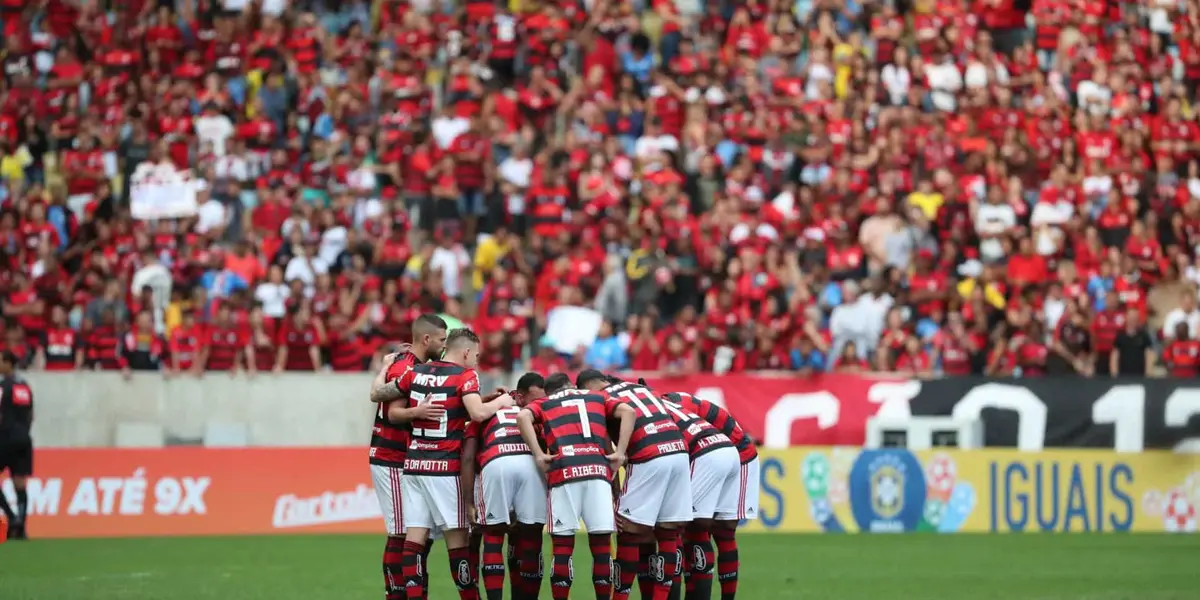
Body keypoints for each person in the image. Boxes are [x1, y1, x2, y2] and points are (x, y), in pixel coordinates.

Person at [392, 328, 515, 600]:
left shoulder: (417, 371)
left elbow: (393, 411)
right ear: (467, 352)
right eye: (477, 356)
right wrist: (504, 401)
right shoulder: (465, 375)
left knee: (414, 539)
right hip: (444, 468)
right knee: (458, 542)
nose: (477, 363)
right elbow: (477, 413)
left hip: (414, 466)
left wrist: (414, 410)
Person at [515, 372, 636, 600]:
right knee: (602, 549)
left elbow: (522, 418)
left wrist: (539, 455)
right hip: (598, 472)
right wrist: (620, 452)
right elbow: (629, 411)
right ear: (571, 385)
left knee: (562, 548)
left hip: (565, 471)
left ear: (550, 391)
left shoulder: (546, 402)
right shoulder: (596, 397)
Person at [578, 370, 690, 600]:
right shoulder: (643, 389)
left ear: (587, 389)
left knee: (628, 531)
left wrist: (615, 490)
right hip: (679, 452)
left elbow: (610, 453)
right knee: (668, 533)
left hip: (648, 454)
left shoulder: (599, 399)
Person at [366, 314, 449, 600]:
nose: (444, 345)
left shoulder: (418, 366)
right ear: (426, 339)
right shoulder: (405, 366)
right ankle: (396, 593)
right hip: (390, 456)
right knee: (401, 532)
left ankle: (415, 590)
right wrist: (418, 413)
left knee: (418, 533)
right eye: (441, 340)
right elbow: (390, 410)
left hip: (407, 458)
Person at [461, 372, 549, 600]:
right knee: (531, 536)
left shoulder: (484, 412)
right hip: (530, 463)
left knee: (493, 534)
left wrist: (469, 502)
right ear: (520, 398)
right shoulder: (536, 413)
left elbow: (468, 457)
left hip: (496, 461)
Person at [666, 389, 760, 600]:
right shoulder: (673, 403)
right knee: (695, 526)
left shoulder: (675, 407)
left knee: (723, 530)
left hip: (739, 453)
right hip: (709, 455)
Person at [0, 350, 34, 540]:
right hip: (23, 438)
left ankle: (12, 518)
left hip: (5, 437)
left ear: (8, 363)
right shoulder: (24, 387)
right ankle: (21, 527)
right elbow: (31, 415)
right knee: (20, 483)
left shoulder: (3, 386)